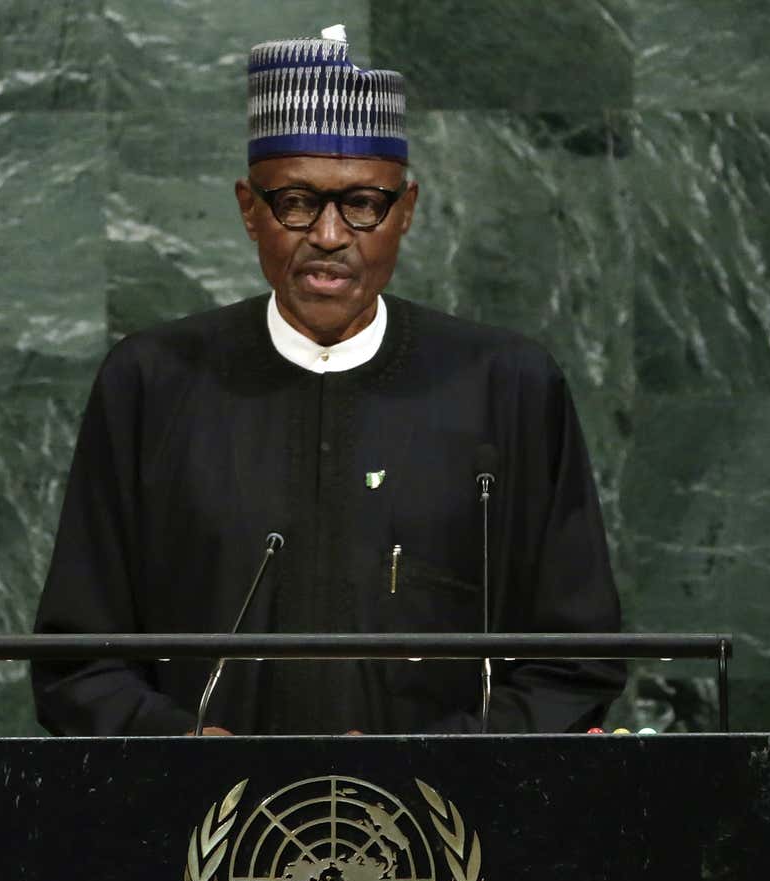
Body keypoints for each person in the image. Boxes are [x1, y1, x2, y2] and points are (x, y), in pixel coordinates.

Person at [31, 26, 623, 736]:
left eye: (363, 204)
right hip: (198, 831)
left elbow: (577, 660)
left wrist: (434, 759)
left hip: (448, 830)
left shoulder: (506, 386)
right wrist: (177, 748)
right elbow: (76, 659)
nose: (331, 235)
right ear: (251, 210)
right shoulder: (154, 383)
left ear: (405, 212)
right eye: (297, 202)